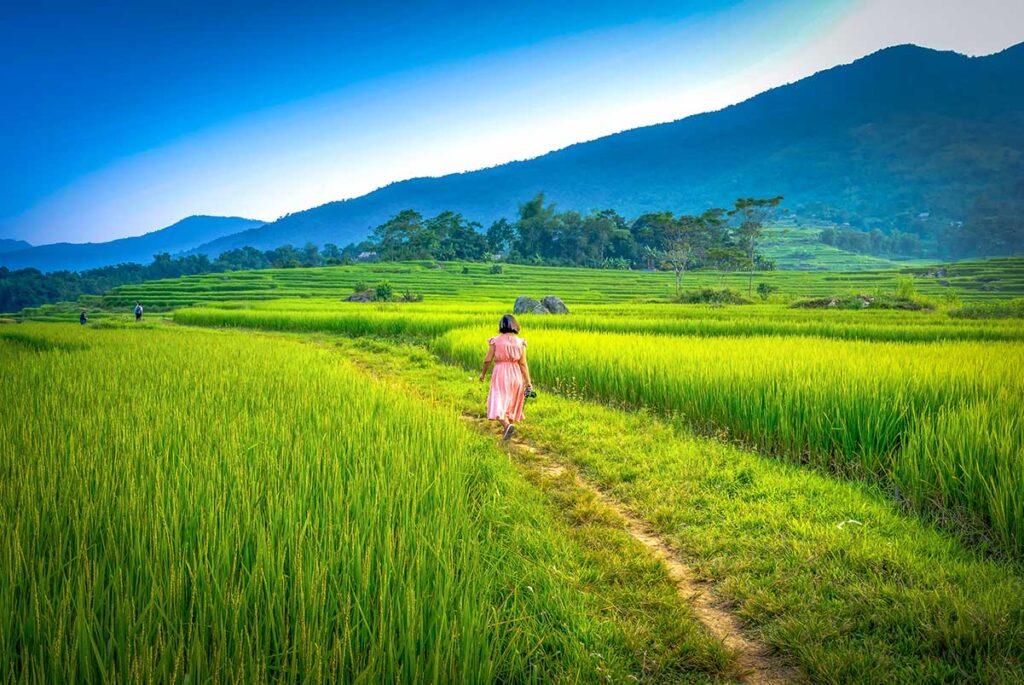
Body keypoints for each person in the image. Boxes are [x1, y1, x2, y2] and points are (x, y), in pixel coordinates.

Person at [479, 314, 533, 440]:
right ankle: (507, 430)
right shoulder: (521, 342)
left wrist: (483, 374)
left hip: (501, 373)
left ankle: (507, 425)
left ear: (501, 325)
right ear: (515, 325)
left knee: (498, 400)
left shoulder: (495, 340)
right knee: (510, 401)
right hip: (516, 374)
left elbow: (487, 360)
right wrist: (528, 382)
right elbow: (523, 364)